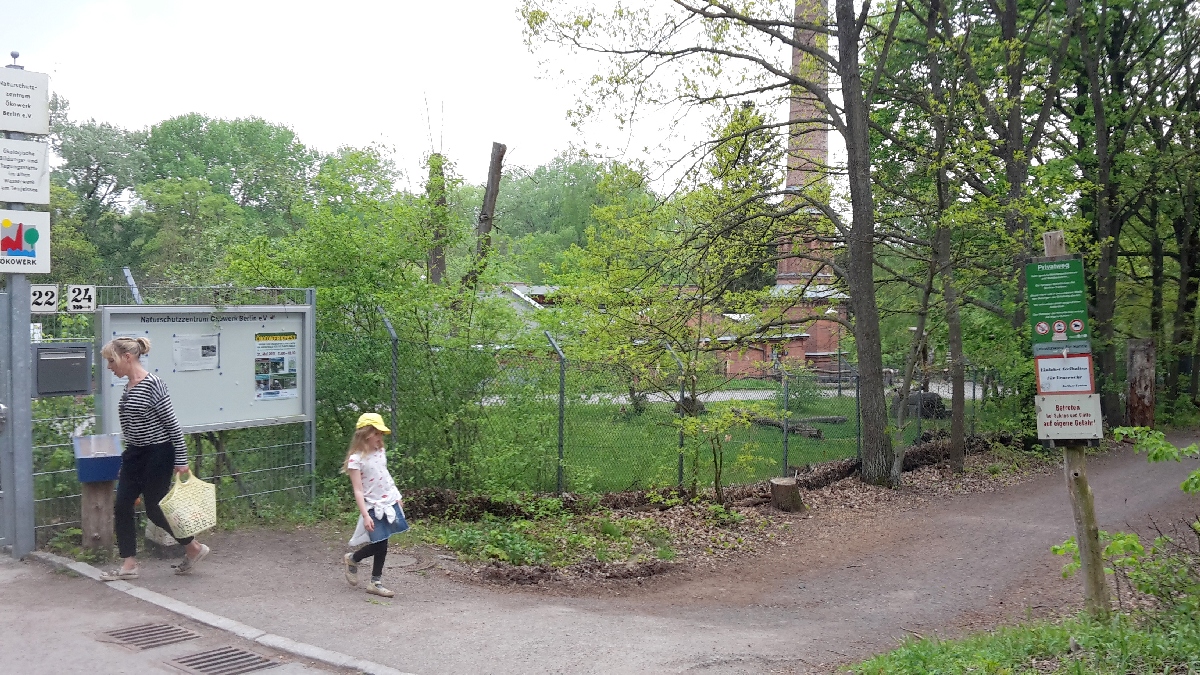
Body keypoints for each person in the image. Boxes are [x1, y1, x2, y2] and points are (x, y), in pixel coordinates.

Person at [98, 336, 210, 581]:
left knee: (155, 509)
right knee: (122, 505)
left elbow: (172, 424)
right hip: (135, 453)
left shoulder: (153, 384)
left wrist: (181, 459)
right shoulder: (129, 386)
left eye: (111, 361)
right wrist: (128, 460)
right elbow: (132, 427)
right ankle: (129, 564)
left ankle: (193, 547)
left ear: (127, 357)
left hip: (158, 453)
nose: (109, 367)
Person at [342, 413, 407, 598]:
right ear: (366, 434)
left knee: (383, 541)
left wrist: (396, 496)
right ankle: (355, 560)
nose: (380, 438)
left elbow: (385, 476)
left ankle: (374, 581)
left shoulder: (380, 451)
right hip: (372, 506)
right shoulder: (356, 459)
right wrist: (365, 515)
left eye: (381, 434)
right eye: (376, 433)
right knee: (380, 543)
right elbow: (358, 490)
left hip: (388, 502)